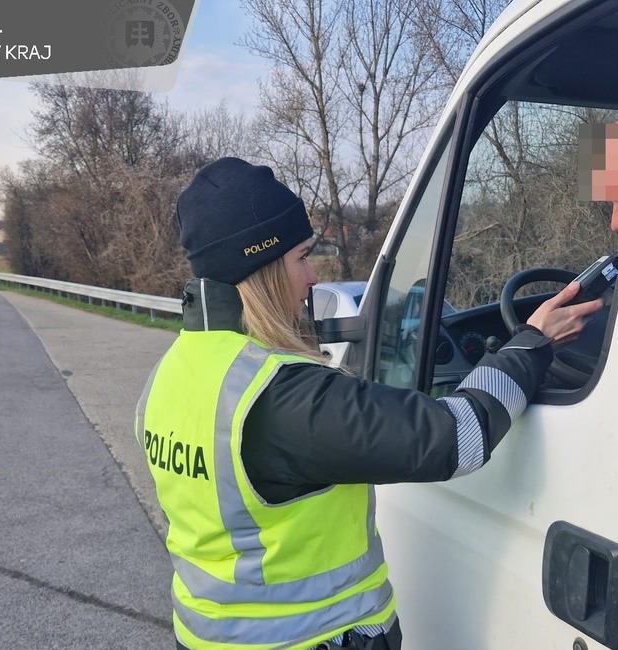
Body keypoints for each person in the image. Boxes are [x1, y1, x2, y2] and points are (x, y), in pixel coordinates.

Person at [134, 157, 602, 650]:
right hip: (313, 639)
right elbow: (459, 437)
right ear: (262, 269)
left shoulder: (170, 374)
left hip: (207, 635)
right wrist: (531, 345)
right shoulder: (283, 399)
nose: (314, 277)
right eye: (300, 258)